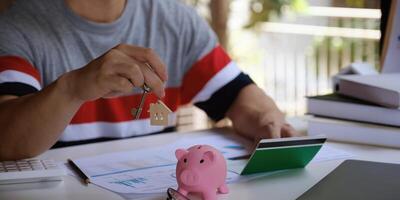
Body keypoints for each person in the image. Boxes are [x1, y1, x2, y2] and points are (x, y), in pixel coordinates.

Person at [0, 0, 297, 161]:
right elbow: (8, 141)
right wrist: (71, 88)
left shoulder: (176, 19)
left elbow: (236, 93)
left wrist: (266, 119)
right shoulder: (17, 27)